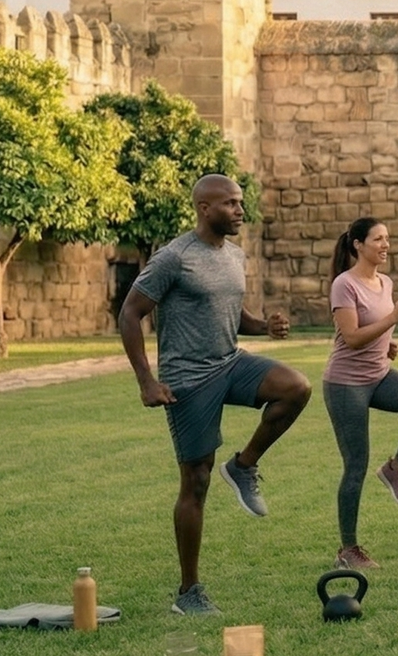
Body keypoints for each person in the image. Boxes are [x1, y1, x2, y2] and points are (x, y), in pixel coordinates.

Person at [118, 174, 307, 616]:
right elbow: (131, 313)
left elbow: (230, 311)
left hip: (230, 361)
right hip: (188, 378)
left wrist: (263, 327)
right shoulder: (174, 257)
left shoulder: (235, 255)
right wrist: (147, 381)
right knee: (196, 482)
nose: (241, 210)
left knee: (295, 387)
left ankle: (243, 466)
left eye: (241, 202)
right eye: (231, 204)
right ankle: (189, 592)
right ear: (204, 208)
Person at [323, 217, 398, 570]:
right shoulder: (344, 285)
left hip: (379, 375)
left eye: (387, 239)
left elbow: (373, 333)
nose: (385, 245)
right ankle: (348, 549)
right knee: (355, 466)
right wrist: (392, 319)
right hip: (346, 384)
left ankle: (396, 467)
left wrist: (387, 345)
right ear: (358, 244)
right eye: (378, 239)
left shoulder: (384, 281)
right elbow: (352, 337)